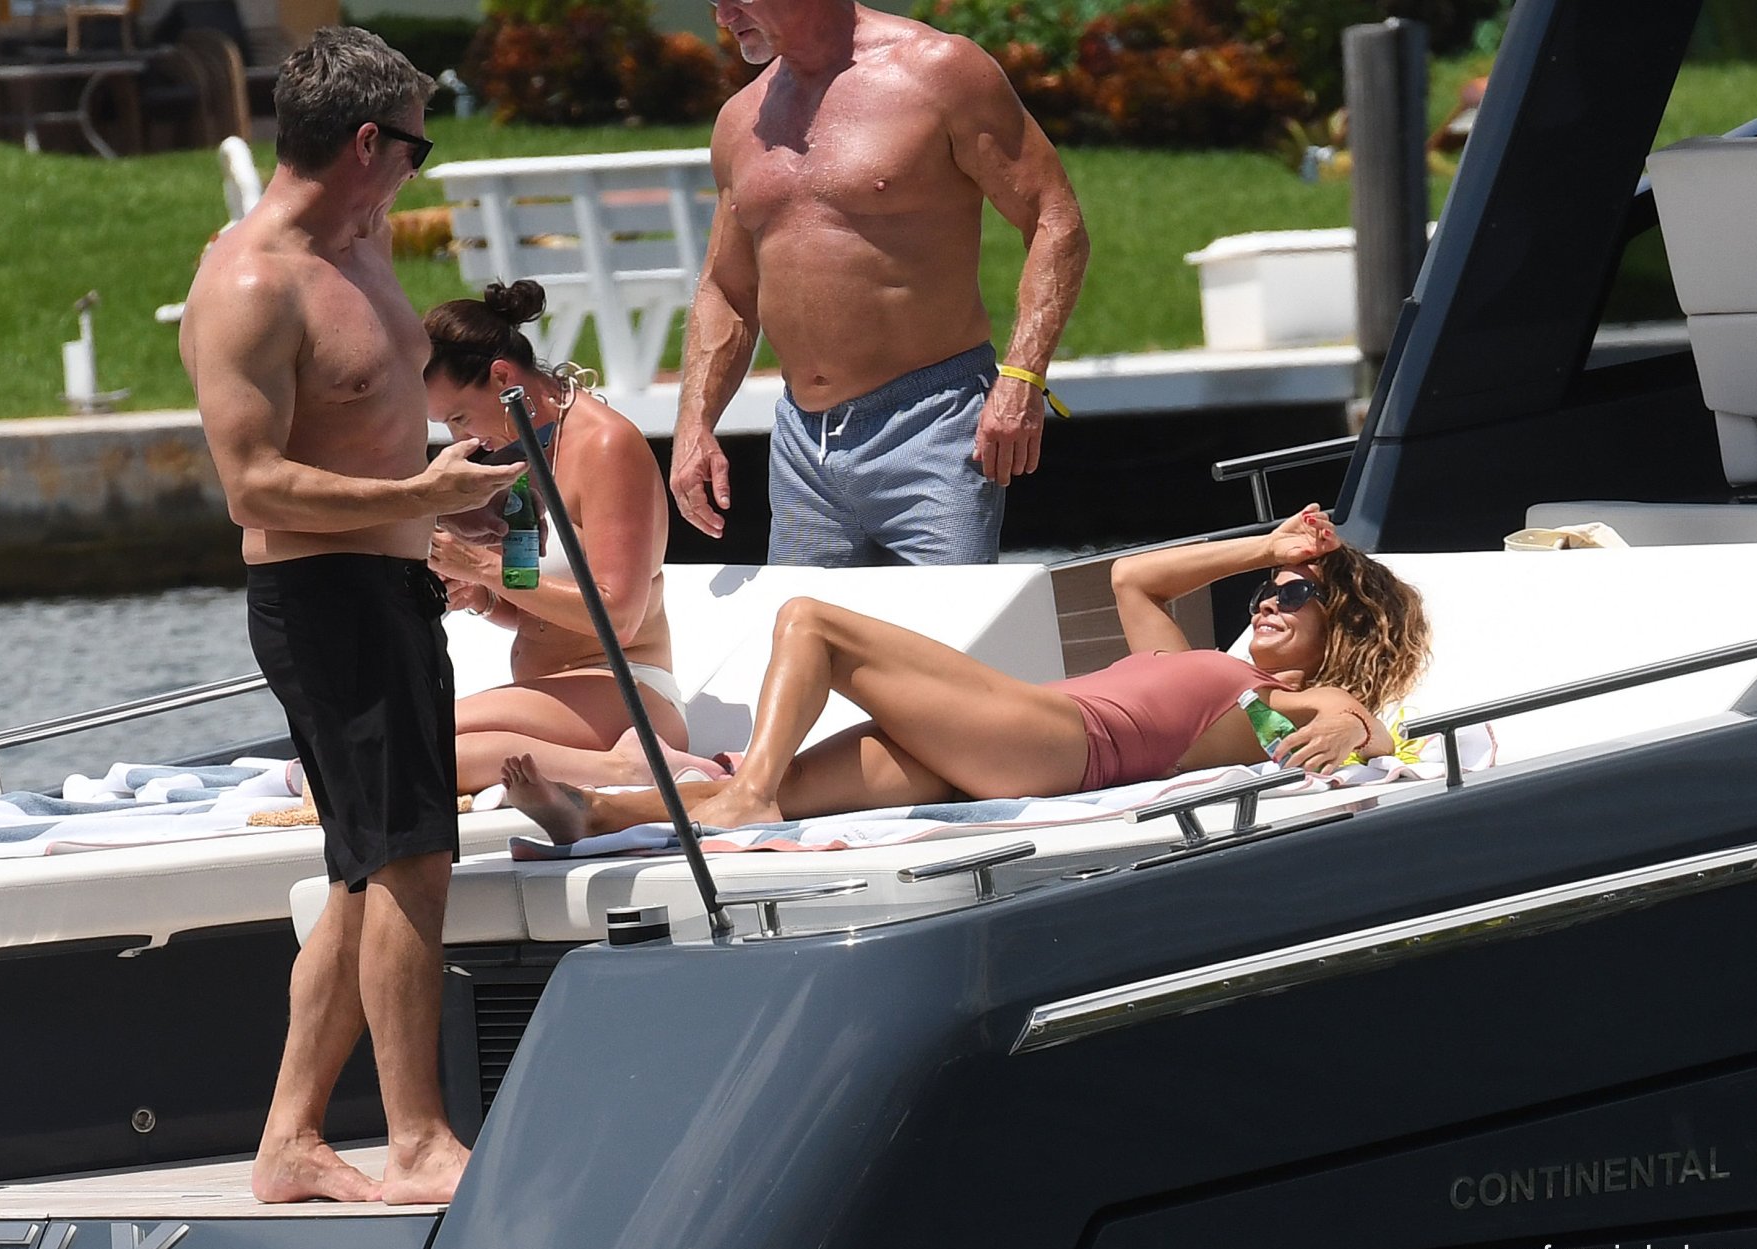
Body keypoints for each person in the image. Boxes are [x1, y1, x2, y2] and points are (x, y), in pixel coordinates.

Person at [178, 27, 522, 1206]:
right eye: (417, 150)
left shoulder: (362, 236)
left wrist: (442, 504)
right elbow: (253, 485)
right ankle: (416, 1139)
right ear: (368, 143)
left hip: (390, 582)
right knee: (413, 859)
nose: (419, 174)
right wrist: (417, 497)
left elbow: (372, 415)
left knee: (364, 873)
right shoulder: (251, 284)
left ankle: (290, 1141)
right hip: (324, 599)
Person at [502, 505, 1432, 843]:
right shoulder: (1197, 662)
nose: (1270, 599)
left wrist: (1352, 729)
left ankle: (743, 797)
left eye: (1296, 596)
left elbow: (1357, 718)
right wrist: (1266, 547)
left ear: (1340, 632)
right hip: (997, 747)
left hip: (1053, 742)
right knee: (792, 789)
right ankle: (600, 817)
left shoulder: (1279, 697)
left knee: (810, 620)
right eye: (1269, 589)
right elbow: (1131, 577)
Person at [670, 0, 1091, 567]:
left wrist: (1022, 376)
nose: (722, 18)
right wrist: (693, 424)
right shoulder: (741, 119)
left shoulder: (939, 70)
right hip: (803, 446)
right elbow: (726, 287)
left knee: (944, 623)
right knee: (801, 625)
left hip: (933, 425)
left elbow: (1054, 220)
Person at [424, 280, 701, 794]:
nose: (462, 439)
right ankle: (603, 767)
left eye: (459, 417)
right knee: (392, 750)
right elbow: (531, 607)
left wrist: (479, 566)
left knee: (408, 745)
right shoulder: (522, 451)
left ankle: (629, 768)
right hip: (556, 696)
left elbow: (619, 617)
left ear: (502, 376)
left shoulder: (605, 445)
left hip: (628, 689)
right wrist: (482, 597)